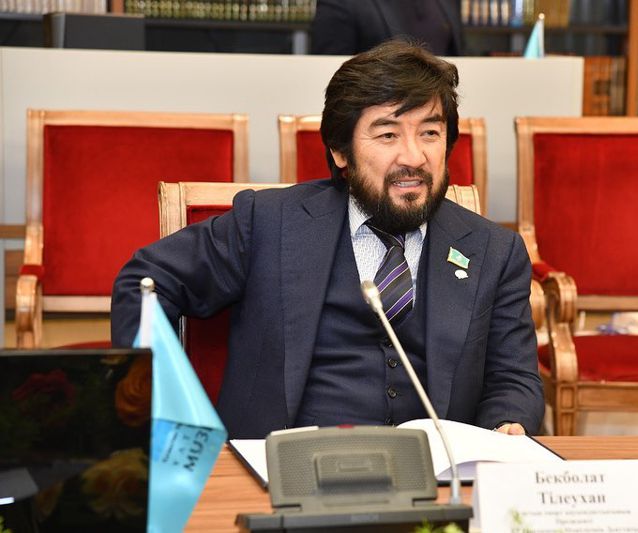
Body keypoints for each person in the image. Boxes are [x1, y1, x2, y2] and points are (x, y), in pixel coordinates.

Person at [111, 40, 543, 439]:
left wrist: (508, 422)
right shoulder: (269, 223)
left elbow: (513, 377)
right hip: (285, 471)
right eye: (388, 134)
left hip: (436, 472)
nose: (414, 157)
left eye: (430, 133)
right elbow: (145, 282)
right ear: (341, 152)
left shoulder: (493, 250)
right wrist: (168, 408)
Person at [310, 0, 463, 56]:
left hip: (442, 110)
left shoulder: (449, 3)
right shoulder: (341, 3)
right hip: (379, 111)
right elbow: (328, 70)